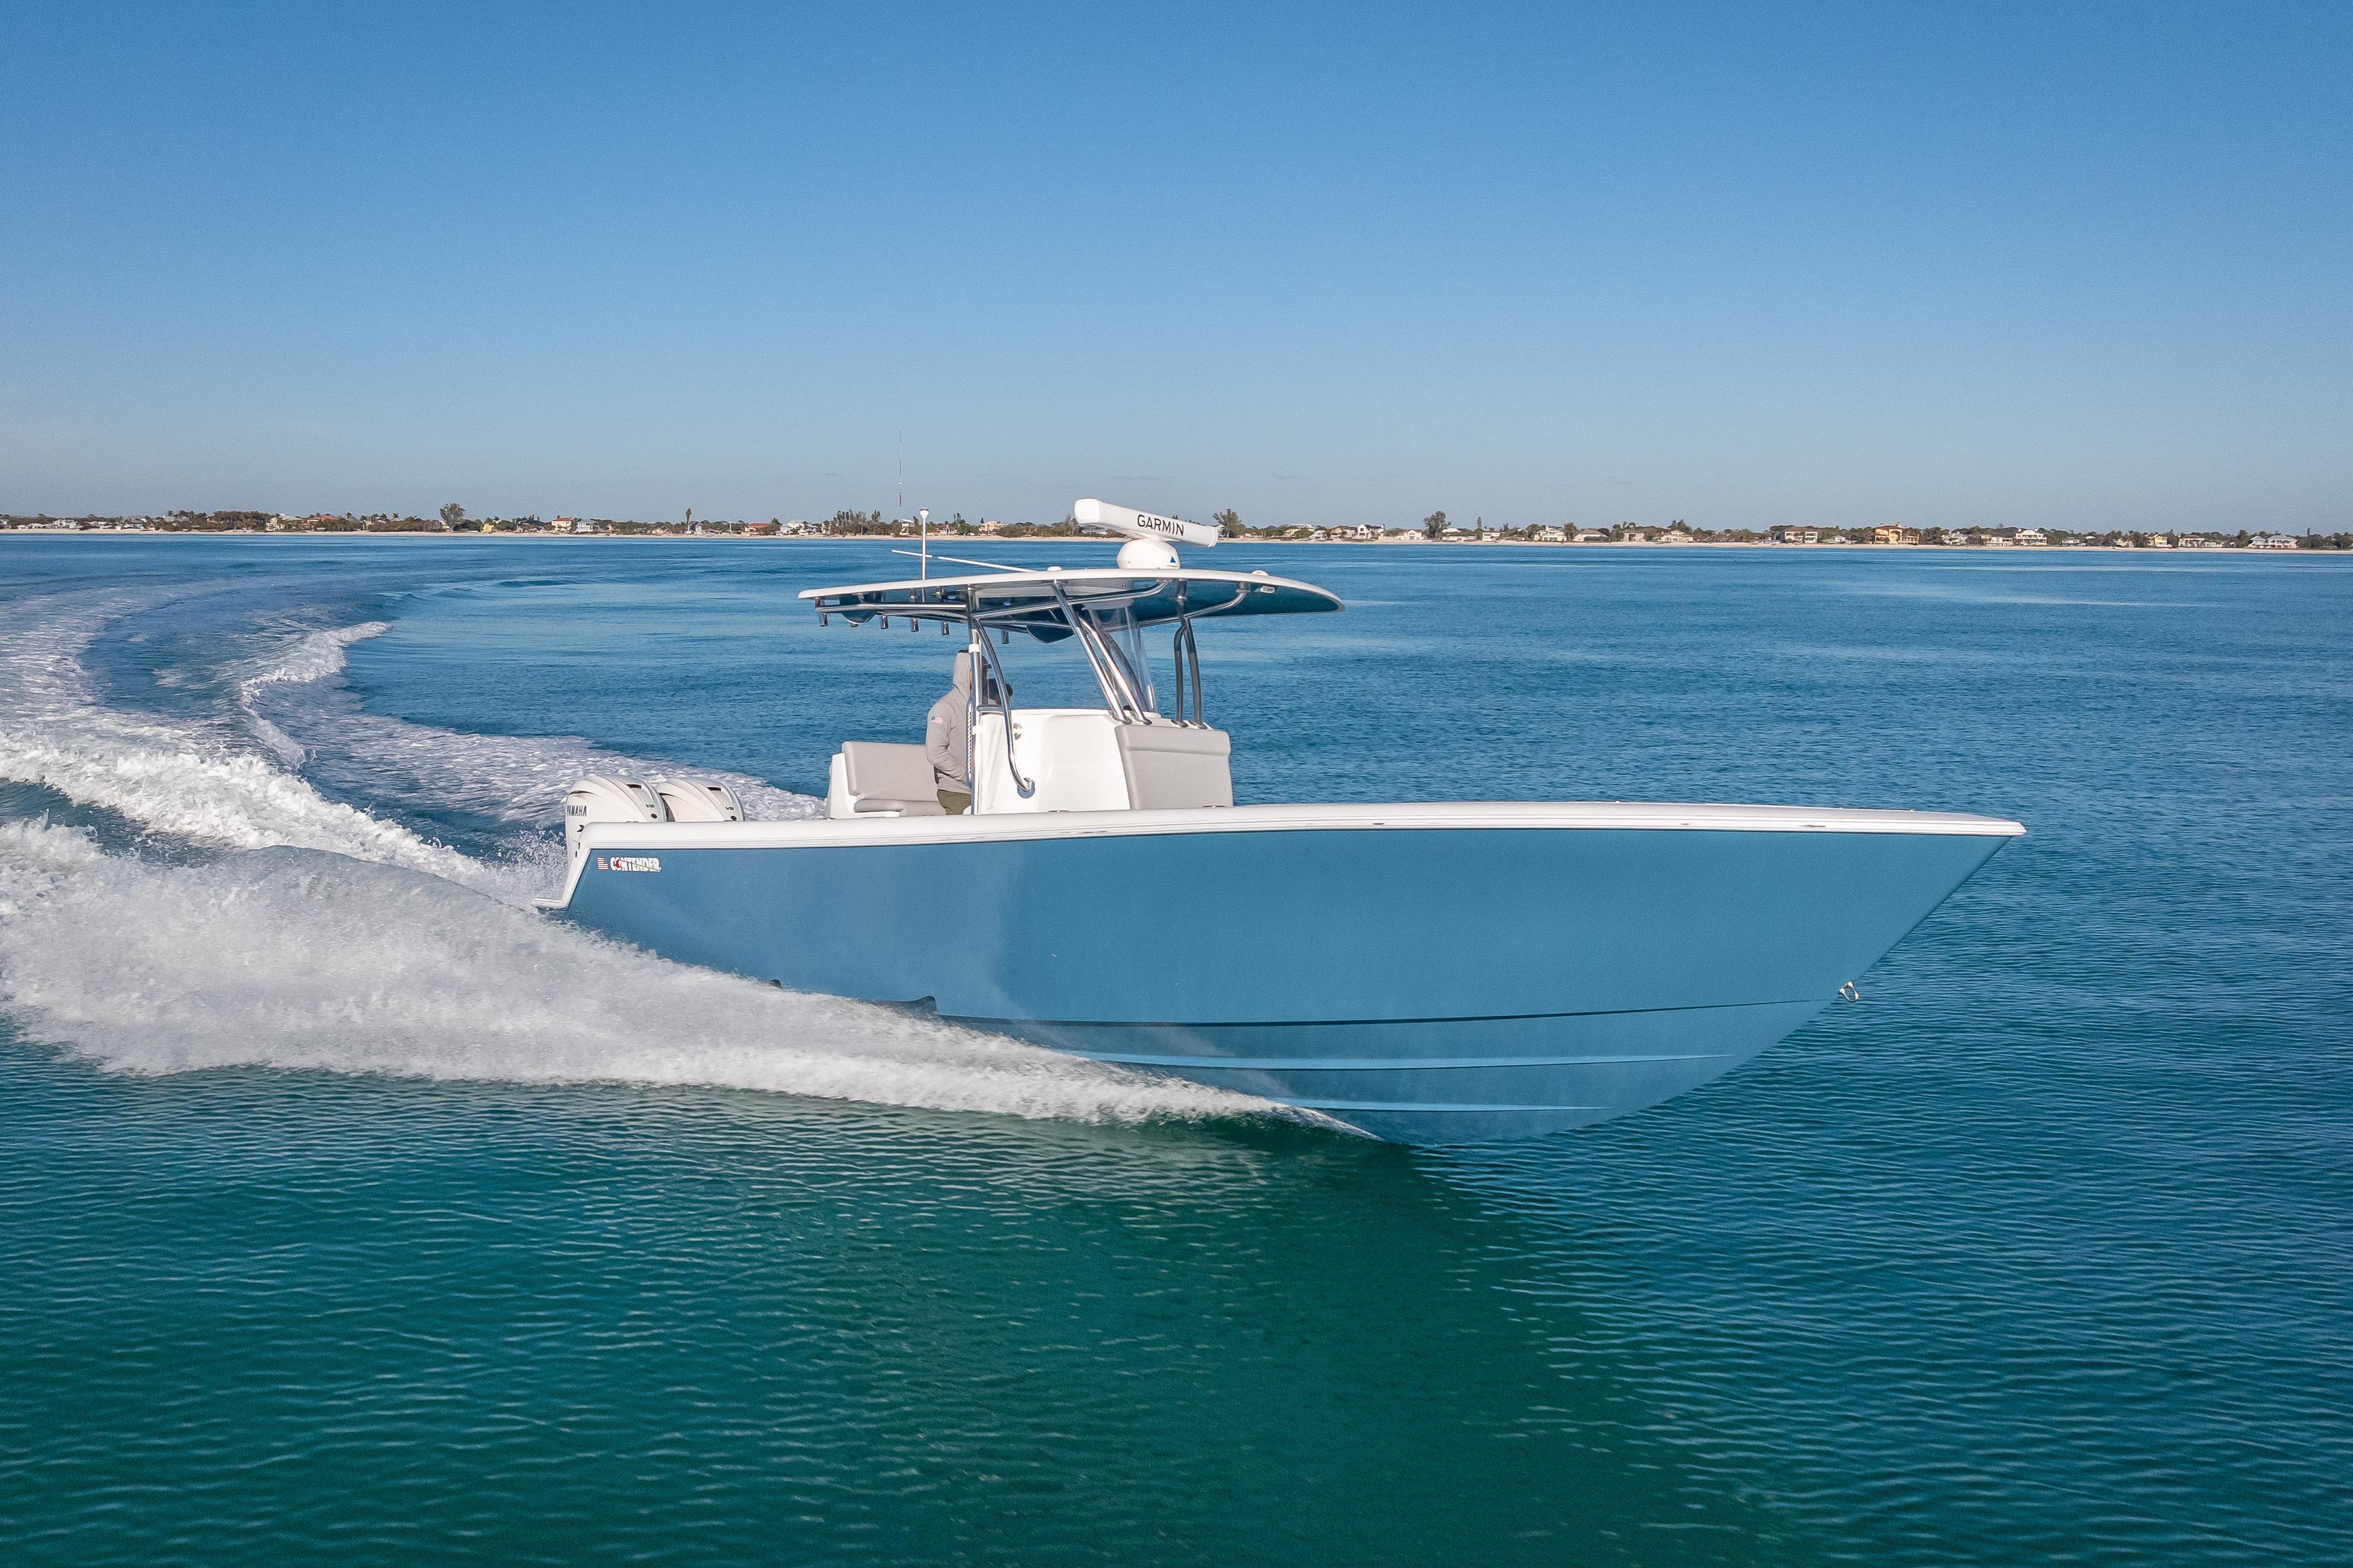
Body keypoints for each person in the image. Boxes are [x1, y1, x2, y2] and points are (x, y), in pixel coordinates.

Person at [925, 650, 974, 814]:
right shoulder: (944, 708)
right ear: (965, 673)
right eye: (977, 671)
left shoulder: (983, 706)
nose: (983, 676)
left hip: (985, 790)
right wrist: (967, 776)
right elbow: (935, 753)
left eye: (985, 671)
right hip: (957, 792)